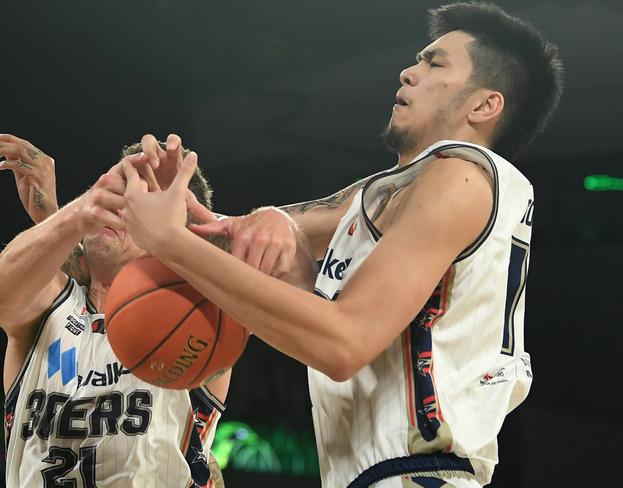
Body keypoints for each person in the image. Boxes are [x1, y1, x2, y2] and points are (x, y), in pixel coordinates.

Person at [121, 2, 563, 487]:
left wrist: (172, 243)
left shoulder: (458, 176)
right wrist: (182, 218)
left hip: (418, 475)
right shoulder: (406, 188)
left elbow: (344, 342)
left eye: (434, 63)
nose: (408, 71)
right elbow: (275, 228)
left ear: (484, 105)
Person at [0, 135, 235, 487]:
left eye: (141, 201)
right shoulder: (50, 308)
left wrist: (184, 216)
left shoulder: (193, 315)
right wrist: (67, 217)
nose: (120, 204)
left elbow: (253, 254)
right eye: (121, 188)